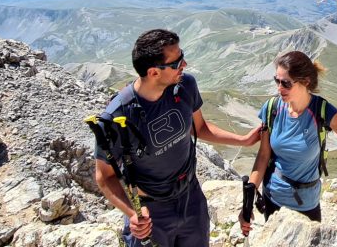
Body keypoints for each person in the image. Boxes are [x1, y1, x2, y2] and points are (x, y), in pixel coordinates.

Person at [94, 28, 261, 247]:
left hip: (191, 199)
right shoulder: (117, 116)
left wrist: (243, 140)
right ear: (154, 72)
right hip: (151, 212)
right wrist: (132, 213)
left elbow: (198, 127)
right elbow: (104, 176)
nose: (185, 64)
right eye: (177, 62)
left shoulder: (185, 86)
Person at [239, 51, 337, 234]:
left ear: (305, 82)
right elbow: (263, 155)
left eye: (286, 83)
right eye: (277, 81)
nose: (279, 88)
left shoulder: (322, 111)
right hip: (273, 199)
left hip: (307, 203)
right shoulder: (272, 109)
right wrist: (249, 198)